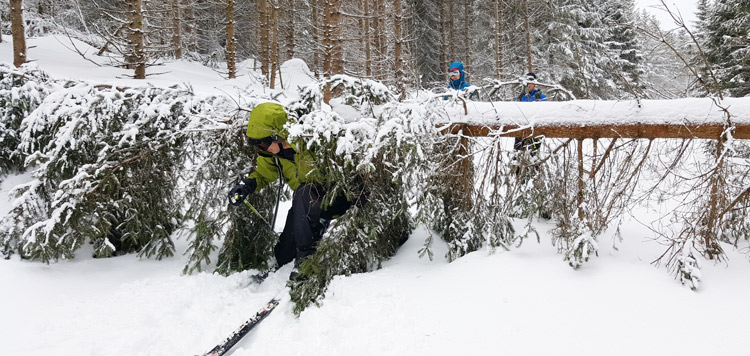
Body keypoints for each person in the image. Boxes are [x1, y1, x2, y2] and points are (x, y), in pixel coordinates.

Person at [227, 102, 352, 280]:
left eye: (263, 144)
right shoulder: (273, 154)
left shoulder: (311, 142)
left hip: (333, 200)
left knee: (304, 191)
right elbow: (264, 173)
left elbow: (347, 167)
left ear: (277, 135)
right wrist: (247, 186)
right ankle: (292, 257)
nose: (262, 149)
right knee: (284, 255)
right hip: (305, 206)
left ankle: (306, 261)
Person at [513, 72, 547, 153]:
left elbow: (545, 111)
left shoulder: (540, 96)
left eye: (531, 82)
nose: (529, 85)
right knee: (517, 153)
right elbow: (514, 109)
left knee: (533, 155)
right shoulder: (520, 97)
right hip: (521, 128)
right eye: (527, 82)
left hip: (535, 129)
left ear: (535, 84)